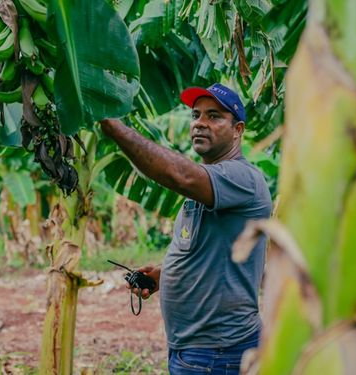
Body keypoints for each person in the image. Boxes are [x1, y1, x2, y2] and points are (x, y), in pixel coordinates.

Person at [100, 83, 272, 374]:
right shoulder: (207, 186)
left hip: (219, 352)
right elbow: (211, 253)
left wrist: (114, 126)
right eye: (195, 115)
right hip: (194, 349)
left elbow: (180, 175)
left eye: (214, 116)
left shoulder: (243, 178)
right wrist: (161, 276)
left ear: (238, 130)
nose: (200, 124)